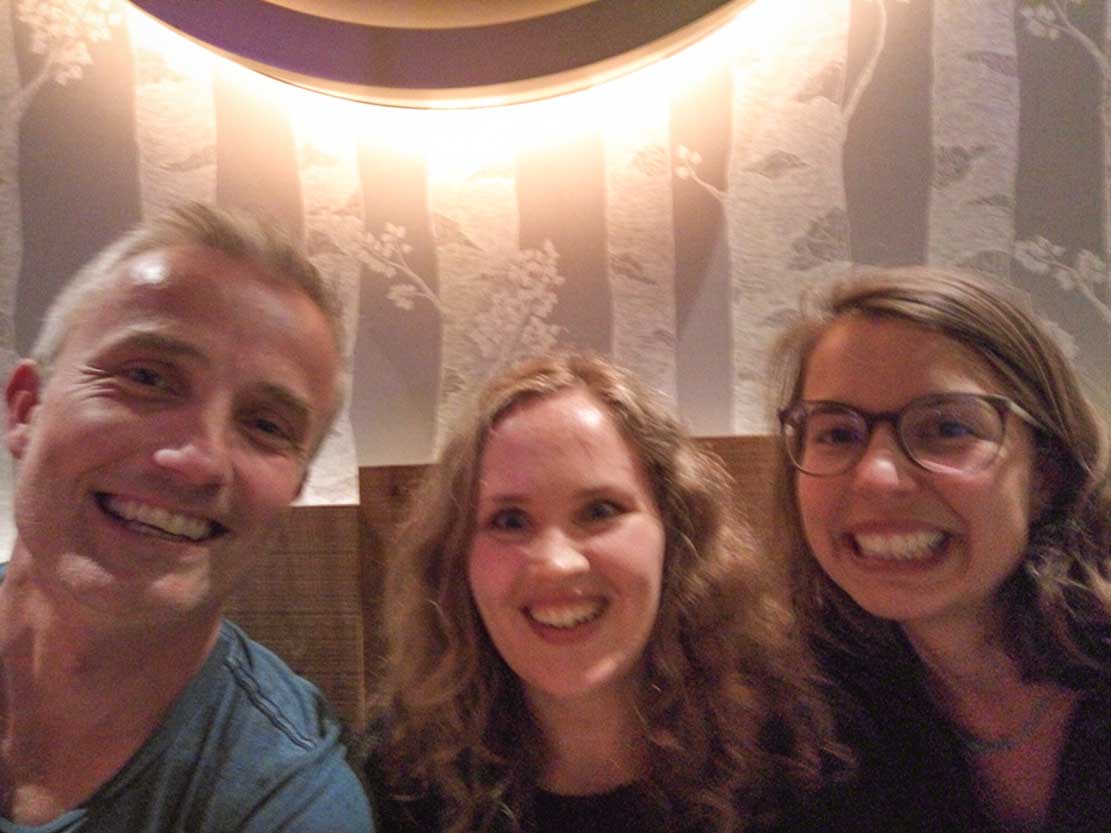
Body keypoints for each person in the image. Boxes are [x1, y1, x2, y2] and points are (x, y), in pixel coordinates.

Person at [0, 202, 372, 831]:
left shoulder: (288, 802)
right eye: (147, 377)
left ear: (294, 490)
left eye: (265, 425)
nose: (199, 462)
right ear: (26, 408)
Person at [366, 352, 836, 833]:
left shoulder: (796, 752)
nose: (555, 563)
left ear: (673, 534)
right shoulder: (404, 776)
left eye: (599, 510)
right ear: (458, 560)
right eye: (509, 521)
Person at [767, 266, 1111, 833]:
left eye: (947, 428)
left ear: (1045, 472)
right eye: (837, 434)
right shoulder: (806, 718)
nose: (877, 477)